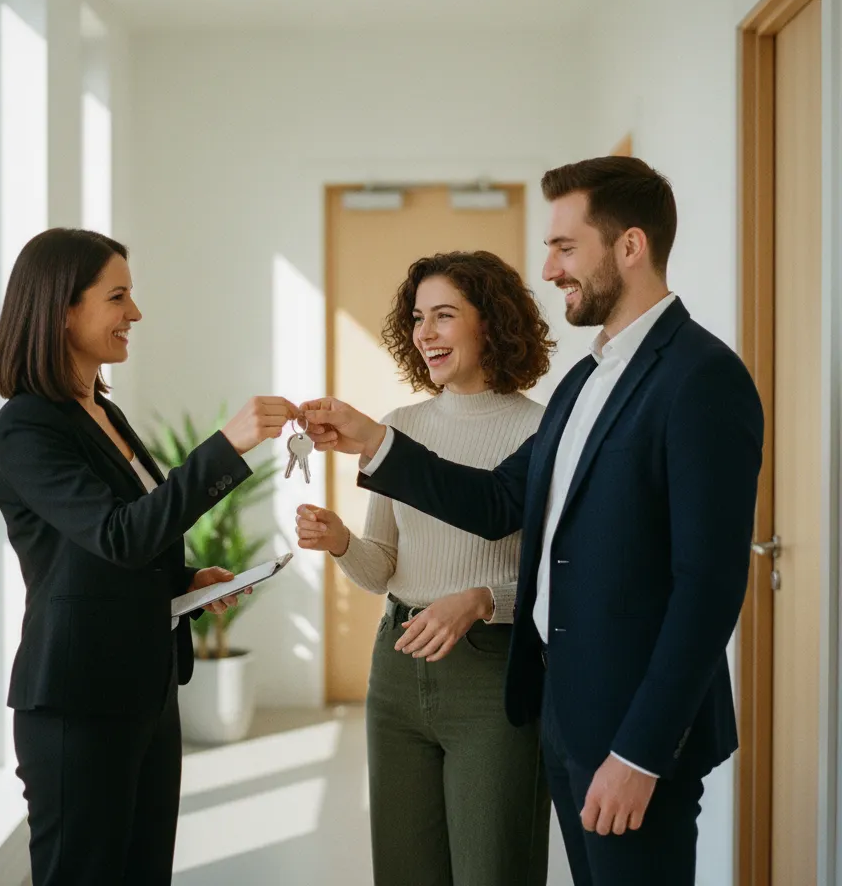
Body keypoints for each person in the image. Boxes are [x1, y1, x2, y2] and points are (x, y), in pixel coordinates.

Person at [301, 157, 764, 886]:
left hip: (634, 739)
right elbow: (495, 504)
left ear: (630, 246)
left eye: (565, 248)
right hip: (566, 718)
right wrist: (373, 440)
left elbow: (707, 587)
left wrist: (641, 753)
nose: (549, 270)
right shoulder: (585, 381)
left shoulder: (701, 377)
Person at [0, 227, 297, 886]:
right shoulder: (27, 426)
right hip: (79, 701)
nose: (135, 313)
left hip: (144, 690)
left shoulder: (102, 411)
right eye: (117, 297)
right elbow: (117, 534)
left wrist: (186, 581)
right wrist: (227, 447)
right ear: (62, 309)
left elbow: (109, 554)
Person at [296, 251, 553, 886]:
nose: (425, 333)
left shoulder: (542, 430)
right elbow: (382, 568)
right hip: (397, 666)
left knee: (493, 870)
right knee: (404, 870)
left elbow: (556, 575)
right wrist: (341, 542)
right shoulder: (401, 426)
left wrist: (484, 597)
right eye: (417, 318)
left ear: (489, 322)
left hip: (491, 674)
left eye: (444, 315)